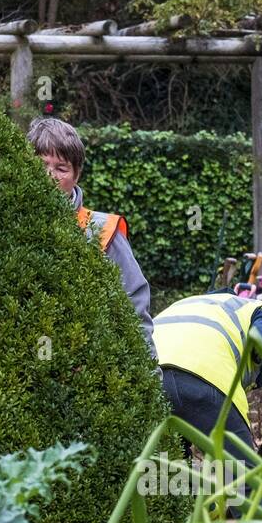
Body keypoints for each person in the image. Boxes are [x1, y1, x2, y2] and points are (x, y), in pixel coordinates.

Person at [27, 116, 155, 356]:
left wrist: (150, 378)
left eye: (61, 168)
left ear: (76, 176)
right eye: (41, 164)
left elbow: (136, 311)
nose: (49, 175)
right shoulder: (9, 224)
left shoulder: (103, 232)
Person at [153, 288, 262, 464]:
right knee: (240, 477)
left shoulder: (189, 305)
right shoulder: (255, 309)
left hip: (153, 378)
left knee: (166, 471)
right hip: (205, 378)